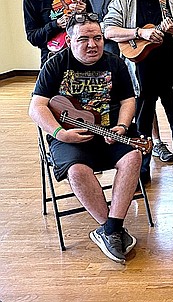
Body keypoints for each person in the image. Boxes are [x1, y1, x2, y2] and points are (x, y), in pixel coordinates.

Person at [28, 13, 141, 264]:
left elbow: (127, 100)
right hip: (69, 135)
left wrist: (123, 126)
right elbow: (36, 107)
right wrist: (60, 133)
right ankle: (111, 227)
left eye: (97, 38)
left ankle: (110, 229)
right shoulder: (56, 64)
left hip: (110, 132)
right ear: (69, 41)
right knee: (77, 171)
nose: (93, 44)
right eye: (84, 39)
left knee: (134, 156)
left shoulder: (116, 63)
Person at [104, 0, 173, 184]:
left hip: (171, 72)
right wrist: (139, 32)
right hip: (139, 74)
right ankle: (142, 171)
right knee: (142, 125)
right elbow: (108, 29)